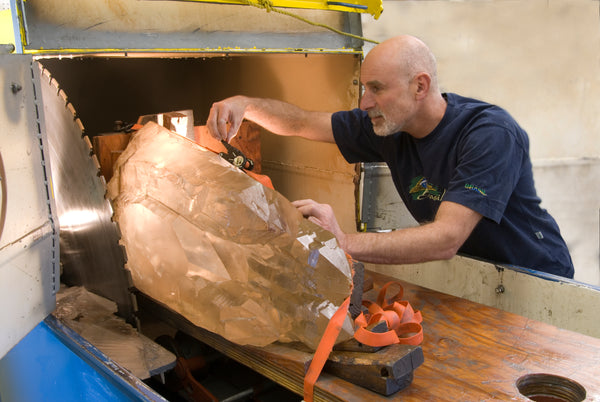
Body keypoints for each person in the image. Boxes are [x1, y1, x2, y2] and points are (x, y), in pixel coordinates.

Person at [206, 35, 574, 278]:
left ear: (420, 86)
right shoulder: (386, 125)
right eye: (365, 88)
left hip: (537, 279)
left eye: (377, 89)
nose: (365, 102)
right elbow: (302, 122)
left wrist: (341, 241)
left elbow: (446, 238)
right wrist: (247, 104)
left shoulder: (489, 134)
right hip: (475, 275)